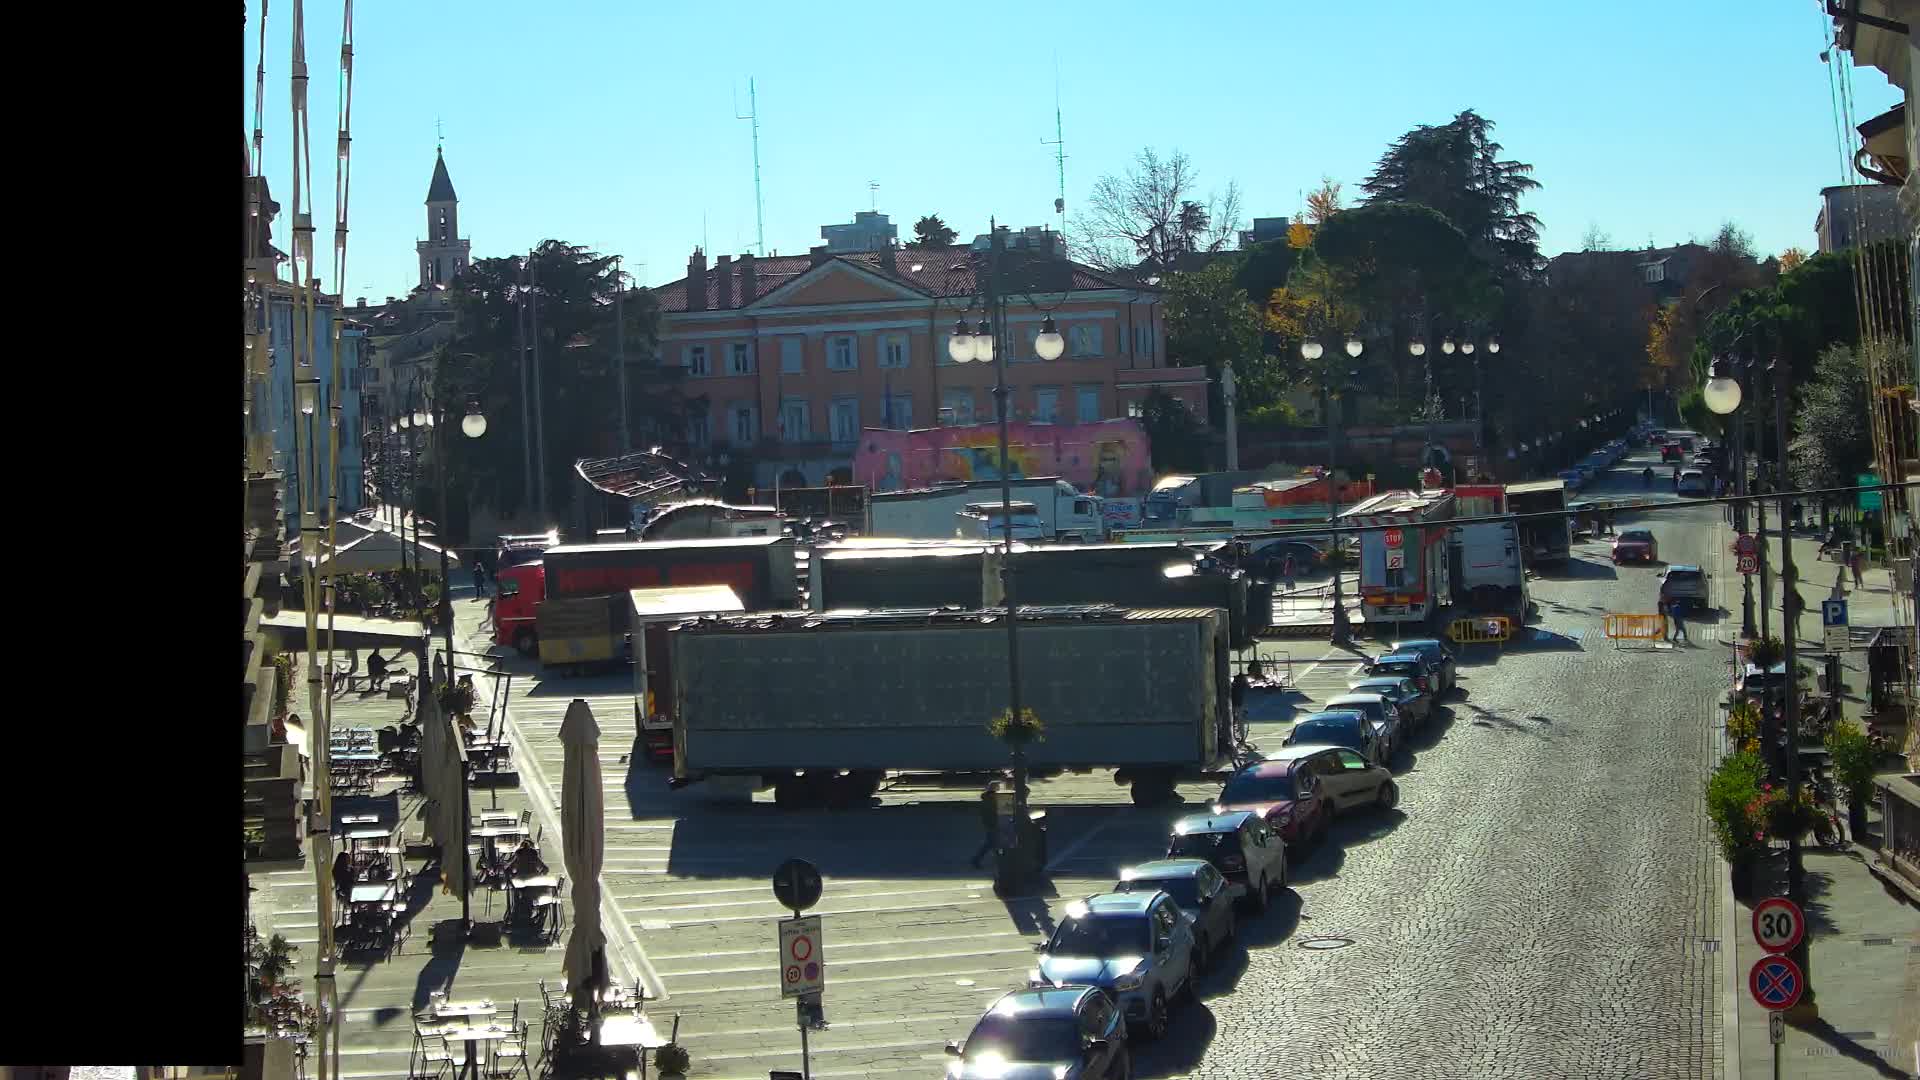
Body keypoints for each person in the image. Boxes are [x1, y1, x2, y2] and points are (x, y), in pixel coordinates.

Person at [970, 781, 1001, 869]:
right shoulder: (991, 799)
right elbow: (991, 813)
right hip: (992, 824)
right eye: (998, 786)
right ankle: (976, 860)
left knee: (992, 843)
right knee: (993, 843)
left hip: (990, 824)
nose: (999, 788)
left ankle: (977, 860)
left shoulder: (988, 798)